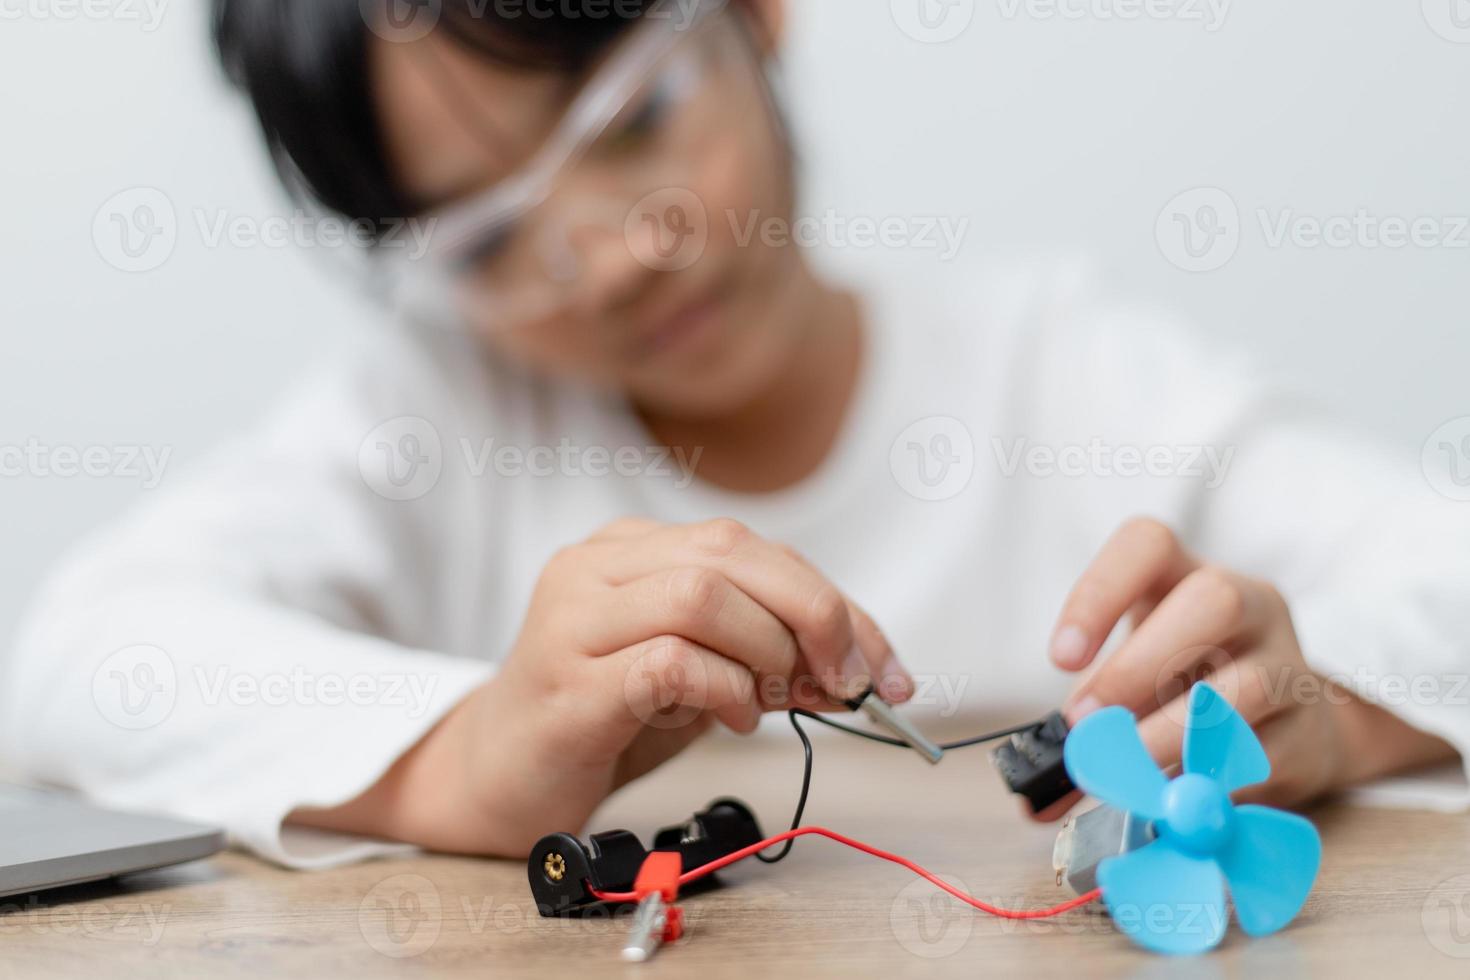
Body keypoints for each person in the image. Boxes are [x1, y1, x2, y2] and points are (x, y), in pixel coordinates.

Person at [2, 0, 1465, 869]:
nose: (611, 254)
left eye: (636, 118)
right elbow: (77, 657)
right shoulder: (432, 421)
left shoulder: (1070, 380)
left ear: (755, 15)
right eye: (489, 241)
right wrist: (466, 760)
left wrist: (1330, 710)